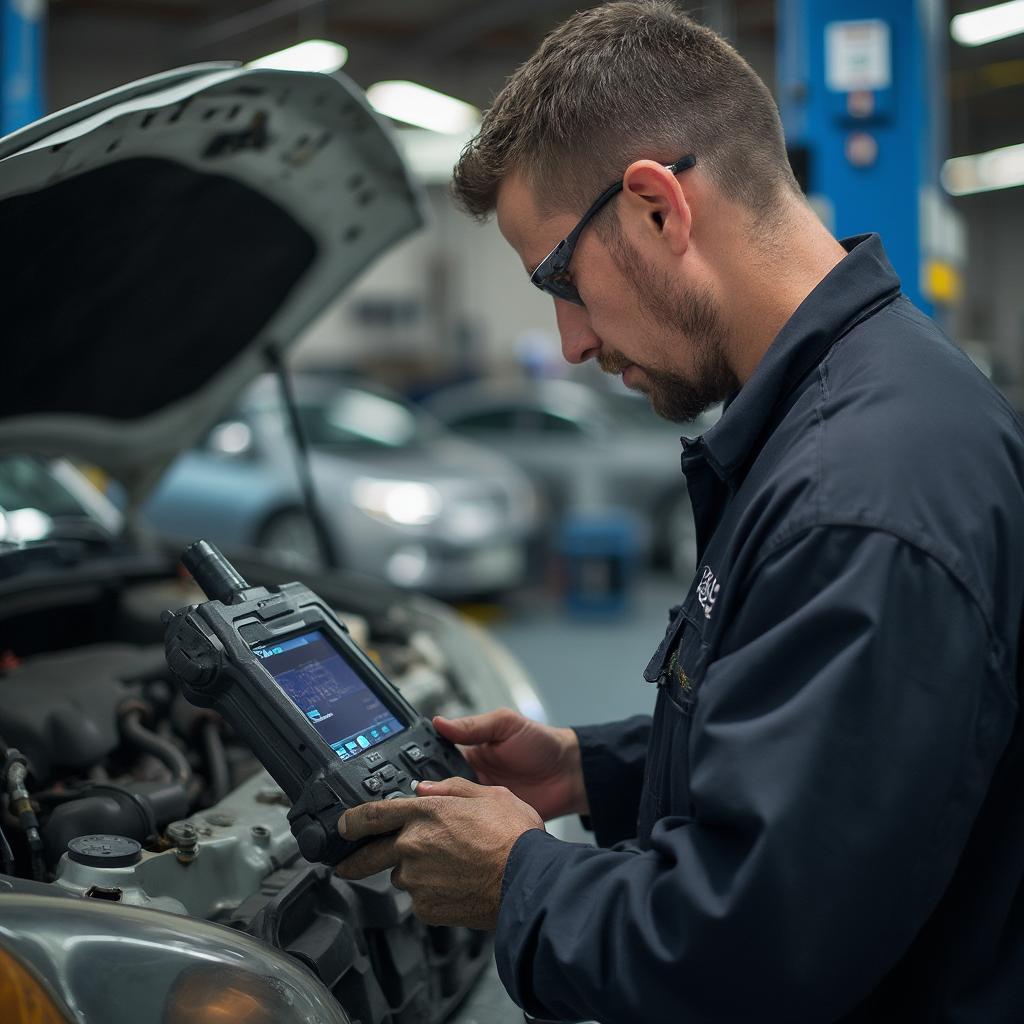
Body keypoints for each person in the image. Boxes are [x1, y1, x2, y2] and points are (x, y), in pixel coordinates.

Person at [337, 3, 1024, 1020]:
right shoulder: (857, 404)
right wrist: (591, 768)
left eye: (559, 280)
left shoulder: (857, 493)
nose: (567, 341)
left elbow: (751, 950)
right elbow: (817, 756)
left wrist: (518, 877)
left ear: (659, 207)